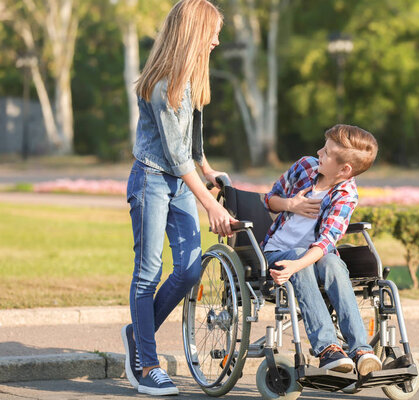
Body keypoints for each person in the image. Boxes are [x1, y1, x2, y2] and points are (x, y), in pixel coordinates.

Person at [120, 0, 236, 396]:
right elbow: (173, 154)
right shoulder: (162, 83)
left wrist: (208, 171)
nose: (218, 41)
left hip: (181, 181)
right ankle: (147, 365)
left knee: (188, 271)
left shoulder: (193, 79)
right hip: (152, 180)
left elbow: (191, 145)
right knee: (148, 272)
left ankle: (138, 333)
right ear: (195, 33)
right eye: (214, 32)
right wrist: (211, 203)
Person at [261, 124, 382, 376]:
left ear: (344, 169)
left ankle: (361, 350)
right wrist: (290, 204)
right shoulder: (305, 167)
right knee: (298, 257)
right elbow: (269, 199)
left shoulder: (346, 195)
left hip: (311, 258)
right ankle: (328, 348)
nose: (319, 152)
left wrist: (298, 264)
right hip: (277, 252)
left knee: (333, 262)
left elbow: (327, 240)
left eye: (326, 152)